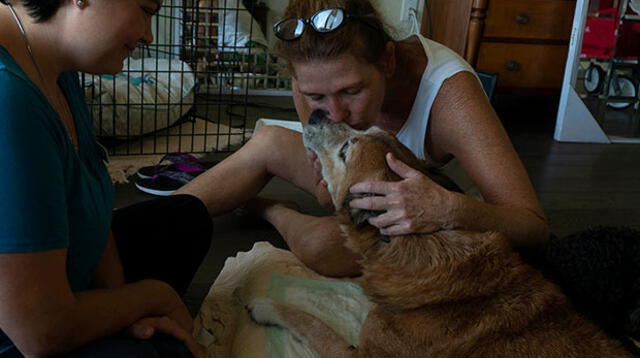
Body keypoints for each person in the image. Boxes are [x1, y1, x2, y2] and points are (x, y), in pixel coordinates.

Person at [176, 0, 550, 277]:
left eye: (352, 91)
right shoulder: (311, 78)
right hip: (362, 188)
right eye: (317, 97)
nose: (335, 115)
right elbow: (327, 194)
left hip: (434, 220)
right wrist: (323, 162)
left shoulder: (450, 96)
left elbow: (533, 227)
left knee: (325, 246)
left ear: (387, 61)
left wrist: (447, 209)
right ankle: (139, 225)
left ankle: (269, 209)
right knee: (268, 141)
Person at [0, 1, 211, 357]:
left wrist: (127, 313)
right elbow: (39, 331)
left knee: (187, 218)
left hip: (55, 283)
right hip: (25, 334)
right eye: (146, 10)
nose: (148, 35)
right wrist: (151, 296)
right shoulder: (10, 100)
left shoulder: (54, 62)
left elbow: (92, 211)